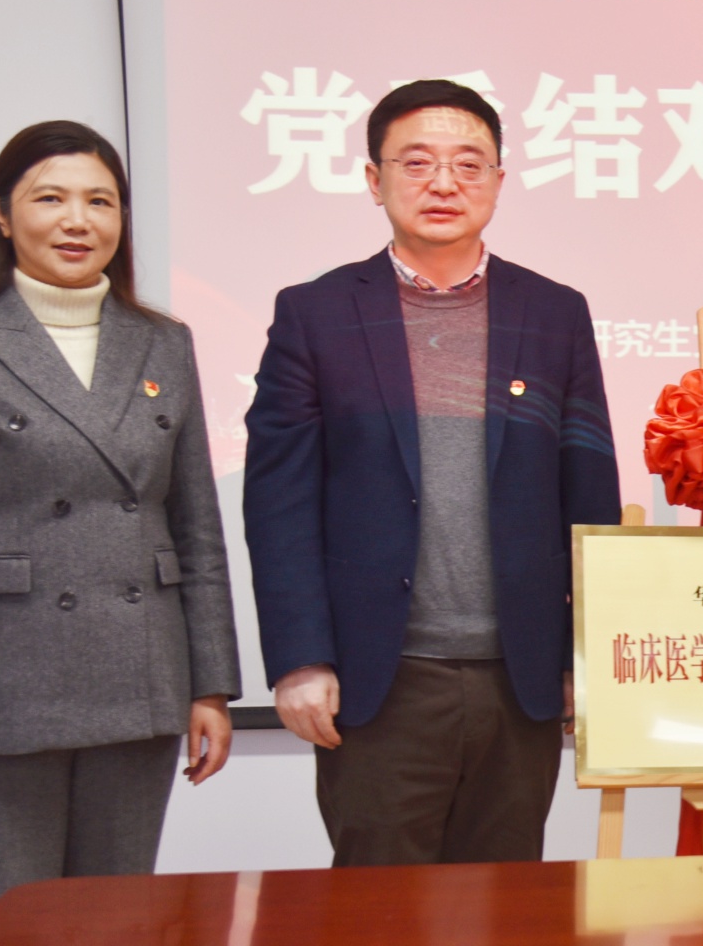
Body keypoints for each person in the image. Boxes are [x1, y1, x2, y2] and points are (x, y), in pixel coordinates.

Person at [0, 121, 240, 942]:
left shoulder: (163, 342)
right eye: (50, 199)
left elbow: (195, 528)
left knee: (116, 930)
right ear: (2, 214)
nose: (78, 221)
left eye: (100, 202)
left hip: (139, 684)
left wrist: (210, 685)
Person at [244, 79, 621, 866]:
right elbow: (280, 504)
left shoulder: (553, 312)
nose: (444, 183)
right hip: (379, 679)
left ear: (499, 182)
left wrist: (582, 656)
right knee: (377, 910)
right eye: (415, 163)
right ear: (373, 179)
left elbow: (587, 493)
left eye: (468, 164)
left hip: (518, 678)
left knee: (504, 905)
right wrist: (301, 659)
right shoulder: (315, 313)